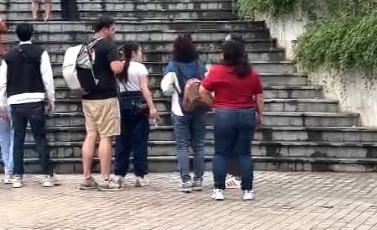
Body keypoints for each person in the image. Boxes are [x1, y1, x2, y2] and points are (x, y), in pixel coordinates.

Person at [200, 38, 264, 202]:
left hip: (224, 114)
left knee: (221, 152)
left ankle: (218, 189)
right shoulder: (251, 73)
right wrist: (259, 116)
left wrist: (213, 105)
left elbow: (202, 91)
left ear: (225, 54)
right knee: (244, 153)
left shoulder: (217, 71)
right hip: (247, 114)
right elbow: (259, 97)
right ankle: (248, 190)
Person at [0, 22, 58, 188]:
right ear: (32, 34)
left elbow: (1, 84)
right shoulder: (40, 52)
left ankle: (17, 176)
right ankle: (47, 175)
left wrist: (1, 105)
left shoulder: (8, 57)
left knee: (18, 139)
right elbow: (47, 78)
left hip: (15, 101)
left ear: (17, 35)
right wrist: (51, 98)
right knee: (40, 138)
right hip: (35, 99)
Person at [79, 15, 124, 191]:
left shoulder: (86, 46)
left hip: (88, 96)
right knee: (106, 136)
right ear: (105, 29)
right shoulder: (108, 45)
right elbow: (116, 68)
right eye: (113, 29)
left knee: (91, 135)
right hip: (105, 96)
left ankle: (87, 177)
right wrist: (121, 62)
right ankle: (105, 178)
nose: (114, 33)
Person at [161, 34, 209, 193]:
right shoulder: (200, 65)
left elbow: (165, 88)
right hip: (200, 108)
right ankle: (199, 180)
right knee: (199, 146)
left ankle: (185, 180)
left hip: (179, 109)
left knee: (182, 146)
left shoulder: (172, 66)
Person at [112, 41, 158, 187]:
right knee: (139, 139)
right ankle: (140, 175)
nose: (141, 53)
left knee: (122, 139)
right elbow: (144, 88)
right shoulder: (140, 68)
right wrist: (151, 106)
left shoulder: (119, 67)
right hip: (138, 103)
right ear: (133, 52)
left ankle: (119, 173)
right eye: (140, 51)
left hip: (122, 102)